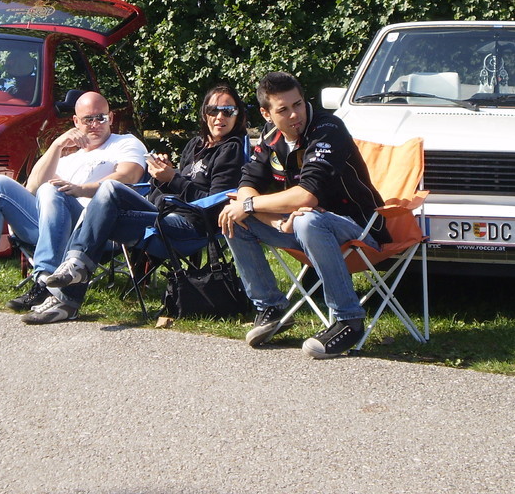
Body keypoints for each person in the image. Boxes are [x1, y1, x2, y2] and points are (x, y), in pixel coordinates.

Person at [27, 83, 248, 324]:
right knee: (97, 213)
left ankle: (69, 289)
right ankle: (69, 292)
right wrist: (161, 175)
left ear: (238, 115)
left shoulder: (232, 150)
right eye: (213, 110)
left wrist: (172, 179)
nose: (219, 117)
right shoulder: (196, 145)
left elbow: (215, 204)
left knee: (110, 188)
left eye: (228, 111)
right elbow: (177, 187)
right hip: (163, 216)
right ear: (204, 113)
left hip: (190, 227)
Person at [217, 71, 391, 359]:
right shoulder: (271, 136)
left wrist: (251, 206)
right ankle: (270, 307)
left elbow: (306, 196)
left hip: (359, 229)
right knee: (232, 217)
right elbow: (247, 184)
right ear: (266, 114)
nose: (294, 114)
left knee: (304, 218)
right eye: (283, 110)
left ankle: (349, 319)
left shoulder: (328, 129)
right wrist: (271, 219)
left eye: (298, 104)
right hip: (301, 228)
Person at [0, 91, 147, 305]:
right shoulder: (69, 155)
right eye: (88, 119)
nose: (95, 124)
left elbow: (128, 176)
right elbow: (32, 187)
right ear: (75, 122)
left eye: (101, 118)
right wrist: (57, 145)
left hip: (93, 229)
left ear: (111, 118)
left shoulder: (125, 143)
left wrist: (80, 189)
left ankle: (45, 281)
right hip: (50, 224)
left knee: (52, 189)